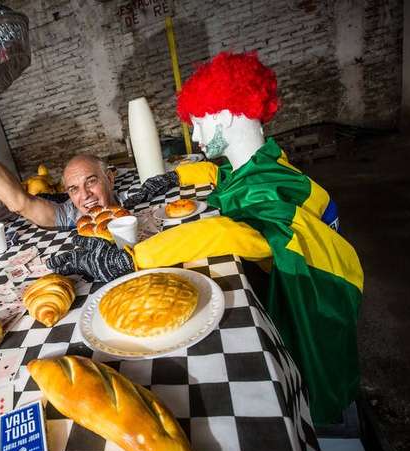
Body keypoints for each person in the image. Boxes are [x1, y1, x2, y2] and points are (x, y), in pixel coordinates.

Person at [48, 52, 363, 424]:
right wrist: (176, 179)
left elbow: (239, 233)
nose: (194, 136)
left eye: (198, 123)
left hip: (318, 296)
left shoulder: (266, 191)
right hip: (320, 272)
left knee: (313, 374)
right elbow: (223, 174)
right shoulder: (264, 162)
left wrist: (134, 258)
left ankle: (328, 426)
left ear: (226, 116)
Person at [0, 111, 117, 229]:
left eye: (91, 181)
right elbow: (18, 201)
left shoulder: (137, 201)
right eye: (74, 189)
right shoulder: (68, 216)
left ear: (109, 178)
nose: (85, 195)